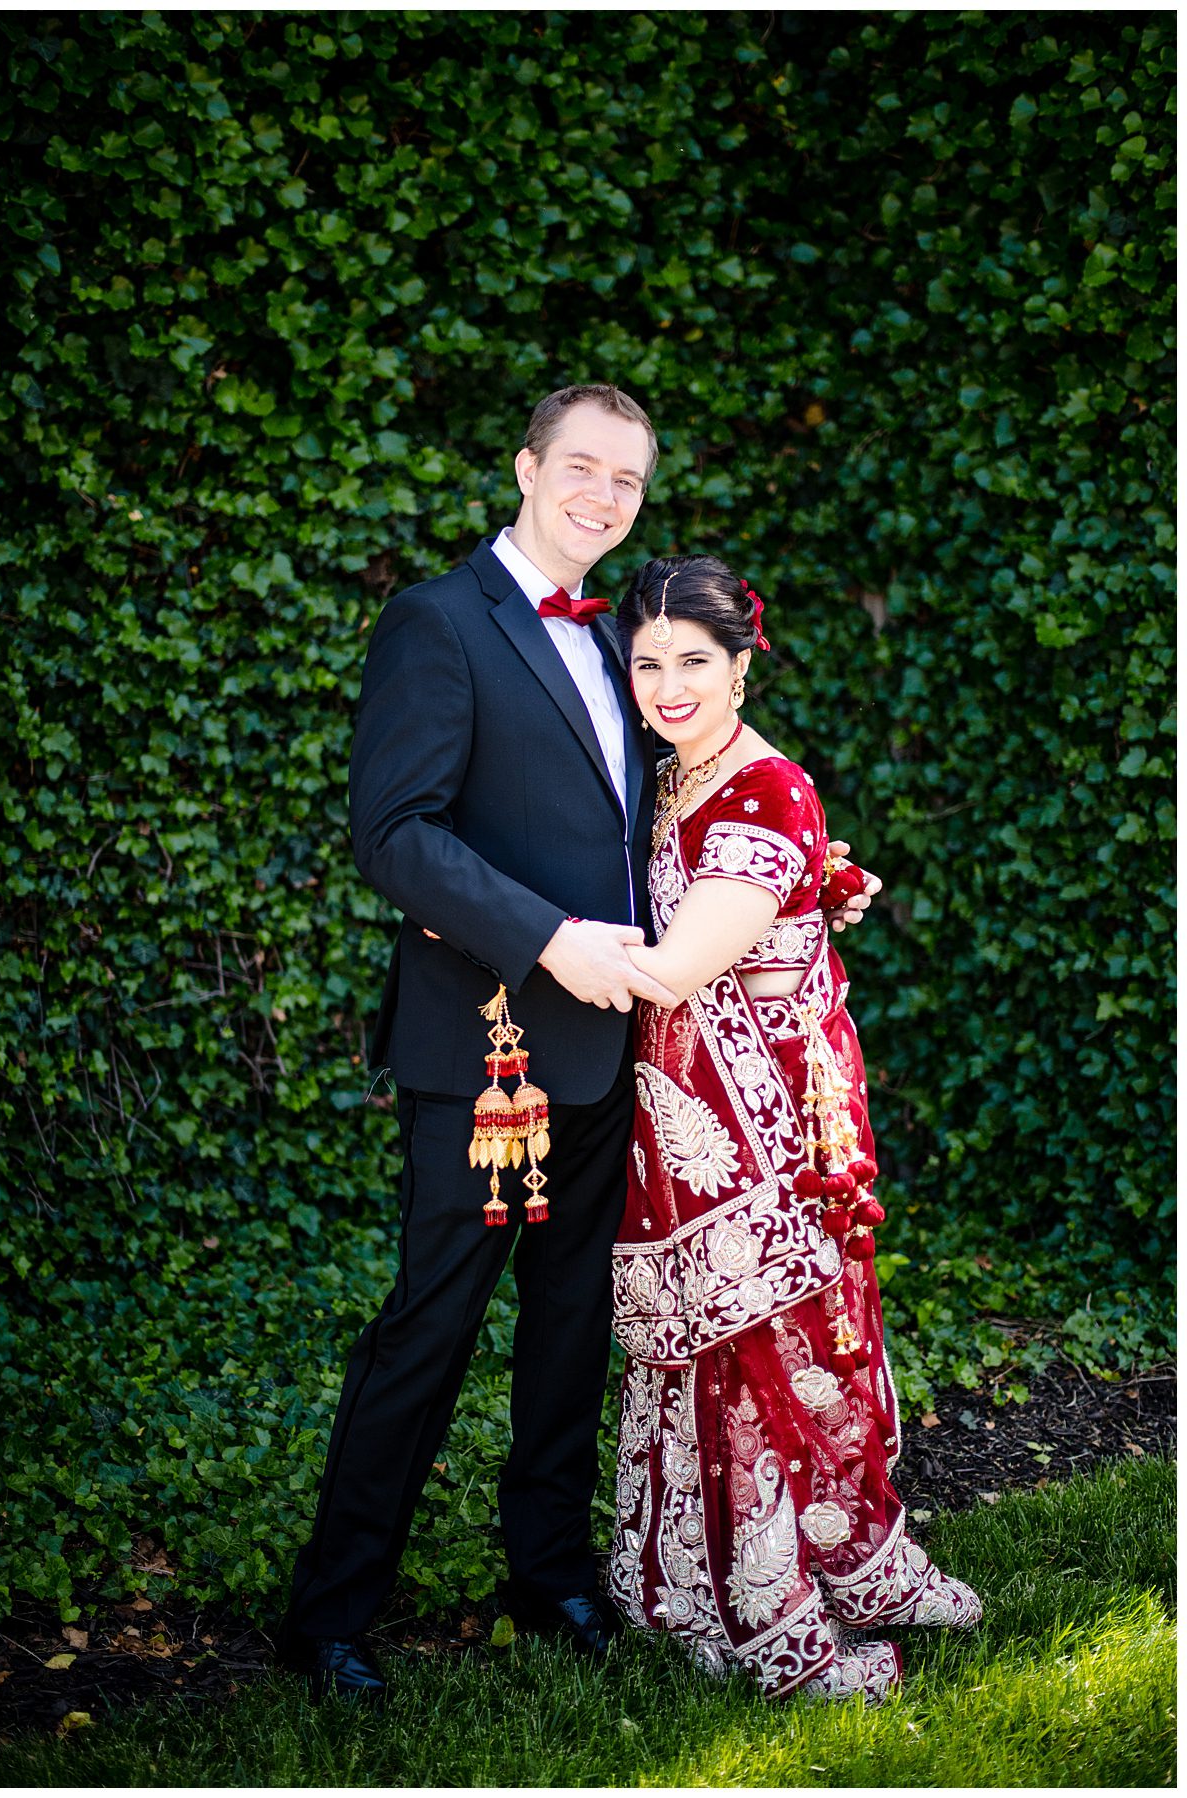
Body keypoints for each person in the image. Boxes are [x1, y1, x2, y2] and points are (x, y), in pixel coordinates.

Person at [279, 386, 876, 1701]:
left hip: (616, 1051)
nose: (604, 498)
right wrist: (546, 937)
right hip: (488, 1056)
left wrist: (802, 869)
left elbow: (677, 798)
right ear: (527, 468)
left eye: (628, 481)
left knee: (567, 1328)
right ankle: (329, 1612)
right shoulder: (439, 622)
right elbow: (397, 833)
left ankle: (546, 1572)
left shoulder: (623, 639)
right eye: (583, 469)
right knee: (429, 1329)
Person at [605, 554, 979, 1701]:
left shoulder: (766, 788)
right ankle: (699, 1577)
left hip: (767, 1117)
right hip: (687, 1109)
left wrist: (517, 935)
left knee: (780, 1347)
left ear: (744, 664)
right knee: (708, 1349)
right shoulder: (670, 774)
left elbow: (674, 964)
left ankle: (794, 1597)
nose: (669, 686)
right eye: (648, 662)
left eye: (696, 662)